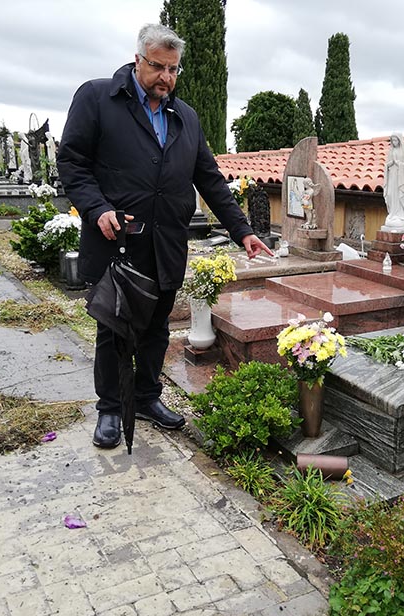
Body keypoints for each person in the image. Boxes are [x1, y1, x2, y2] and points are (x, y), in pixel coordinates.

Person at [58, 23, 272, 449]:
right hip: (118, 241)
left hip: (166, 243)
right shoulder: (99, 98)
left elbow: (210, 180)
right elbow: (72, 162)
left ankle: (145, 397)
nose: (167, 78)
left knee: (157, 328)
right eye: (158, 67)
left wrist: (243, 232)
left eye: (174, 70)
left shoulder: (185, 117)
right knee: (115, 330)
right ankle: (110, 408)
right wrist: (97, 208)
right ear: (138, 59)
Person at [382, 132, 404, 229]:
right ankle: (392, 214)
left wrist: (399, 164)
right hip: (392, 176)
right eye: (392, 140)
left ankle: (400, 215)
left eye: (395, 140)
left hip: (401, 179)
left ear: (399, 140)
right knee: (390, 194)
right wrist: (390, 164)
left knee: (399, 196)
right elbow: (386, 165)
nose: (393, 142)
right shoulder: (391, 151)